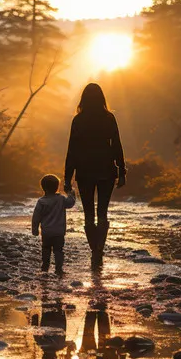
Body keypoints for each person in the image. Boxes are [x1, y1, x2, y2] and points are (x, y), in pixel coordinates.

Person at [64, 83, 126, 268]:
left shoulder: (78, 120)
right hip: (106, 170)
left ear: (83, 99)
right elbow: (117, 145)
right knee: (103, 212)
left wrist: (67, 178)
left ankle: (94, 251)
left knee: (89, 214)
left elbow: (72, 150)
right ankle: (100, 248)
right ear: (101, 98)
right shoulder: (109, 118)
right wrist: (121, 171)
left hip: (84, 171)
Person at [32, 174, 76, 275]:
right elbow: (70, 203)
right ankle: (58, 269)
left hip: (46, 231)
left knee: (46, 249)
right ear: (57, 187)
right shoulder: (61, 199)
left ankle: (45, 267)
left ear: (43, 187)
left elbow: (36, 217)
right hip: (59, 232)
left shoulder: (41, 201)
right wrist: (71, 193)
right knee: (58, 250)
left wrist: (34, 229)